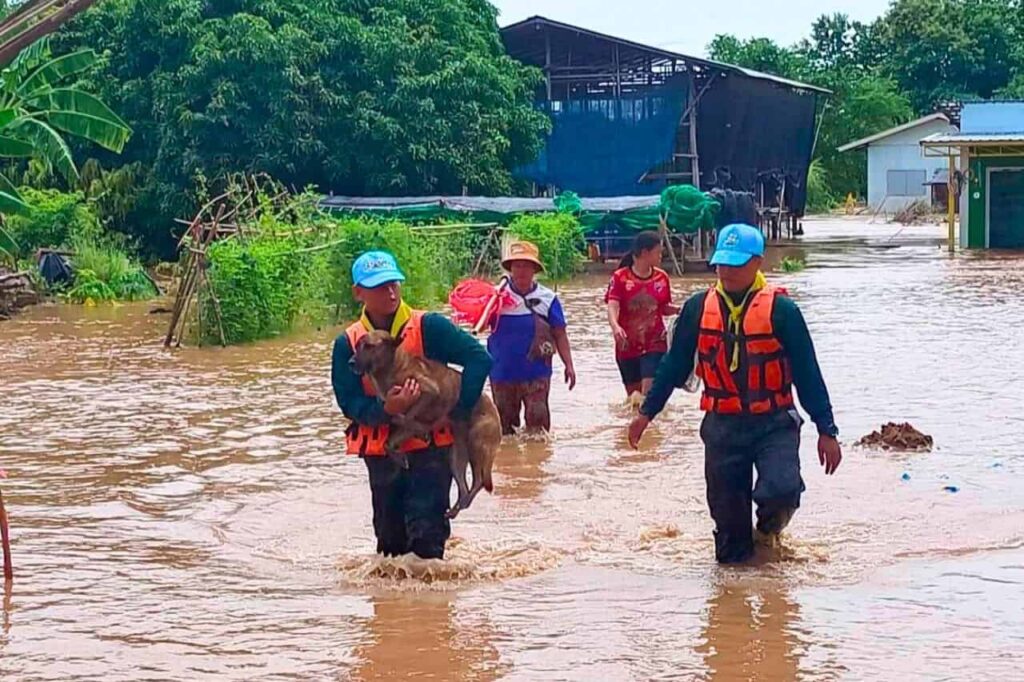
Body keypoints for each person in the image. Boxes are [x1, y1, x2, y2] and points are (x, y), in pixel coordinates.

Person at [627, 223, 842, 564]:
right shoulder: (698, 308)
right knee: (730, 544)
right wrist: (646, 414)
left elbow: (807, 372)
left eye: (735, 264)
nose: (726, 271)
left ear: (757, 262)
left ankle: (768, 532)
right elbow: (673, 365)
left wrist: (826, 430)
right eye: (721, 263)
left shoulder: (783, 311)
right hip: (722, 426)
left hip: (774, 422)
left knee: (782, 491)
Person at [331, 251, 492, 560]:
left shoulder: (428, 326)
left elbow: (479, 359)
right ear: (358, 293)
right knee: (390, 545)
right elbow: (349, 403)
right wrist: (386, 410)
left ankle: (432, 590)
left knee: (428, 541)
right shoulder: (348, 344)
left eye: (394, 284)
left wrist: (458, 412)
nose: (391, 292)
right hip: (383, 453)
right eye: (380, 287)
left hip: (432, 448)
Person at [488, 240, 576, 435]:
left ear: (534, 270)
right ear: (510, 269)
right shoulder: (495, 298)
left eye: (526, 266)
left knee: (539, 432)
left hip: (537, 372)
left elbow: (560, 334)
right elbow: (478, 322)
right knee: (505, 432)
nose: (521, 271)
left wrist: (569, 365)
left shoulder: (548, 298)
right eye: (517, 266)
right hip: (502, 373)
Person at [605, 231, 680, 398]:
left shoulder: (662, 278)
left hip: (655, 342)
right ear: (645, 253)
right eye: (658, 252)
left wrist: (678, 310)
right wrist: (615, 327)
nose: (661, 256)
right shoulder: (620, 278)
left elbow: (663, 307)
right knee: (634, 397)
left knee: (647, 394)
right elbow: (613, 306)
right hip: (627, 344)